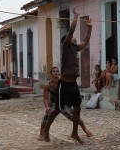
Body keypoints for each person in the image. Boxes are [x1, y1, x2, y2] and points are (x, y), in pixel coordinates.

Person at [46, 8, 92, 144]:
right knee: (58, 110)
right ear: (67, 40)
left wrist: (90, 28)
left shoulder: (75, 49)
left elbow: (86, 41)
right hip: (64, 85)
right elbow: (71, 30)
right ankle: (46, 130)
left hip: (73, 85)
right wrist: (76, 16)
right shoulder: (66, 47)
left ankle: (74, 133)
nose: (74, 39)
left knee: (77, 109)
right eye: (72, 38)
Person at [38, 67, 92, 141]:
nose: (56, 73)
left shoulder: (63, 83)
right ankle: (41, 133)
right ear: (51, 74)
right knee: (47, 116)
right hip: (54, 103)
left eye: (57, 71)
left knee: (74, 116)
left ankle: (85, 130)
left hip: (63, 102)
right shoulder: (48, 85)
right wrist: (47, 107)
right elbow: (45, 98)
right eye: (54, 71)